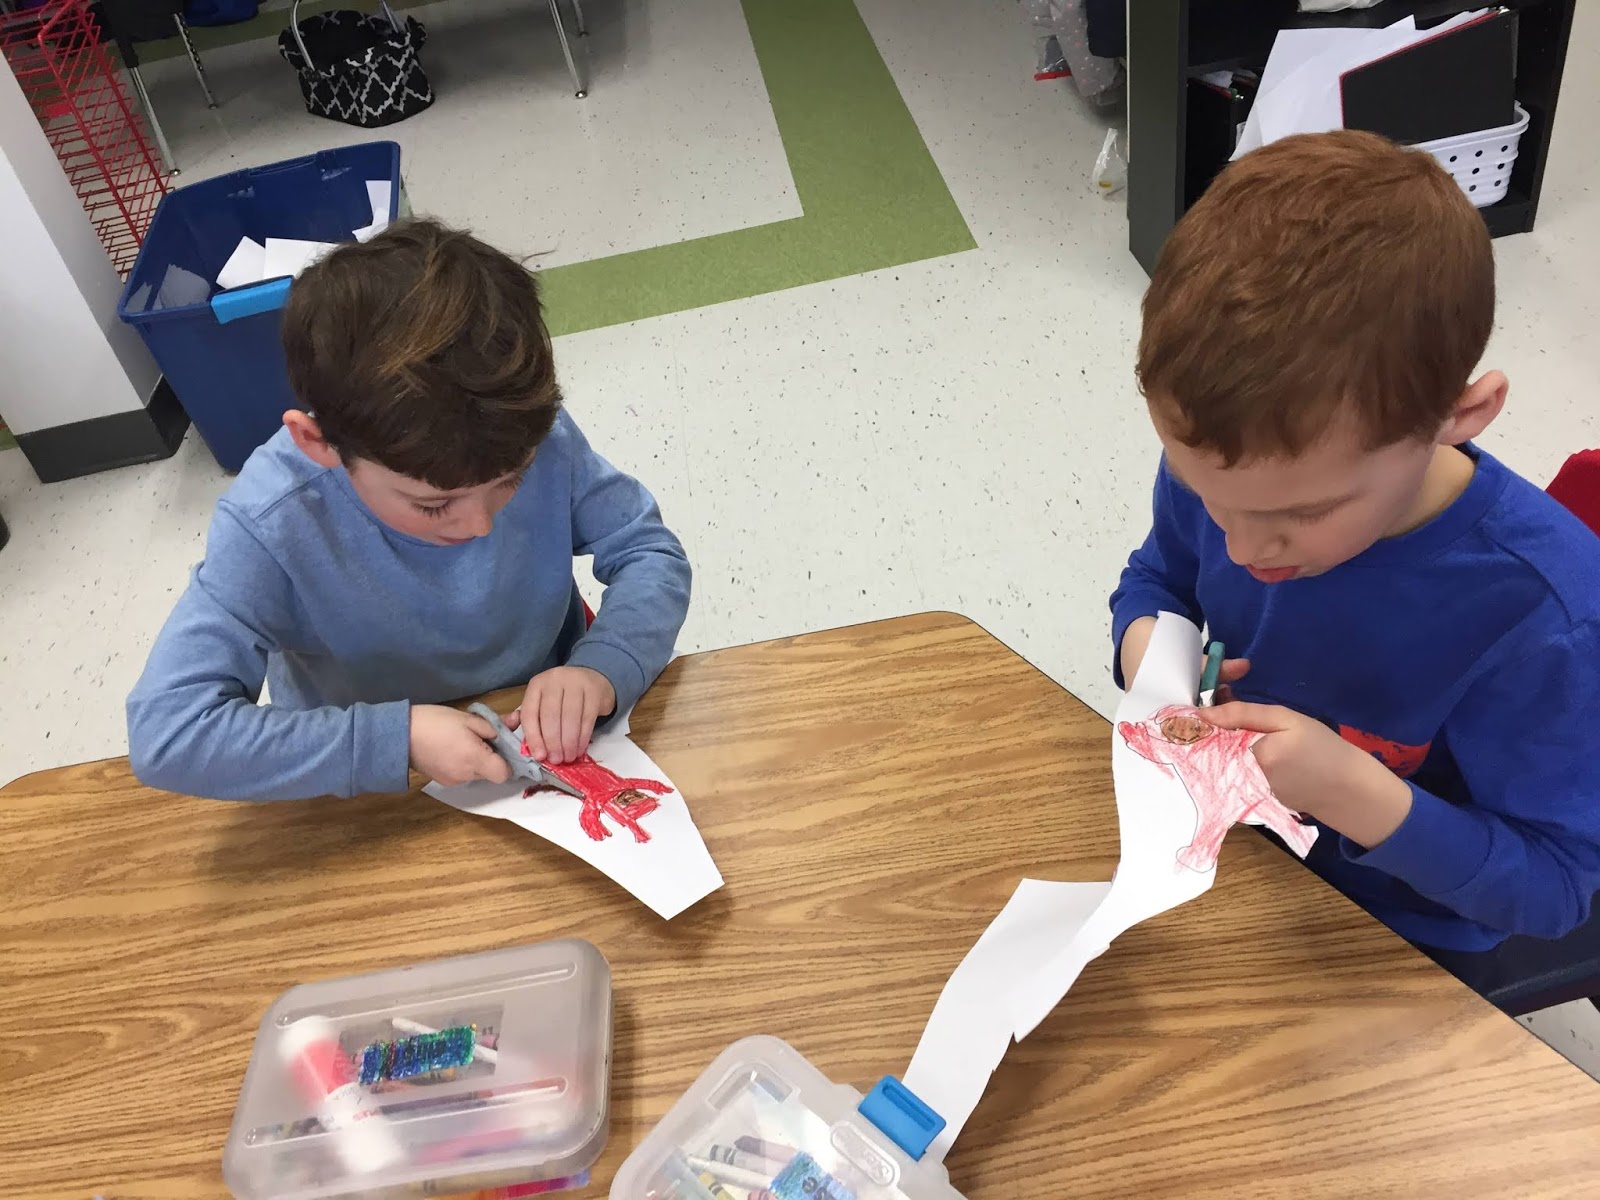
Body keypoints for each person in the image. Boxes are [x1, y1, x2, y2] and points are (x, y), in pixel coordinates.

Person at [1110, 131, 1600, 964]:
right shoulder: (1235, 467)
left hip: (1400, 924)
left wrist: (1351, 792)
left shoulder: (1546, 617)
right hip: (1226, 835)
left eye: (1303, 512)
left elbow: (1554, 888)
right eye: (1208, 497)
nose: (1243, 544)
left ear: (1459, 417)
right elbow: (1159, 577)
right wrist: (1153, 650)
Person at [127, 219, 691, 802]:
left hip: (545, 730)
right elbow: (169, 733)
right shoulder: (273, 520)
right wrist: (395, 741)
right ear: (319, 444)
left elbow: (647, 551)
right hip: (371, 788)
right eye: (433, 503)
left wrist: (602, 666)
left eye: (511, 481)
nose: (479, 525)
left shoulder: (523, 430)